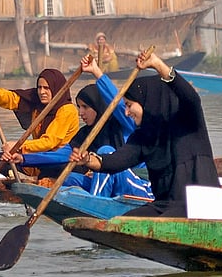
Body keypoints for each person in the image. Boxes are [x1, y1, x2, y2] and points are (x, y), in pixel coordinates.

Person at [71, 50, 218, 216]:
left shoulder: (187, 121)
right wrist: (88, 160)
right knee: (122, 222)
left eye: (129, 105)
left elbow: (190, 96)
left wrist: (157, 64)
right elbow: (116, 161)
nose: (126, 112)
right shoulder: (143, 136)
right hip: (165, 206)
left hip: (200, 204)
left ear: (146, 103)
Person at [62, 55, 154, 200]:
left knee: (106, 152)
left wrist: (97, 72)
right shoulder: (133, 127)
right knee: (69, 179)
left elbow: (116, 102)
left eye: (129, 106)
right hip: (122, 177)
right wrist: (23, 158)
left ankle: (94, 204)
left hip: (145, 187)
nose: (127, 111)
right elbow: (64, 154)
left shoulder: (140, 126)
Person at [0, 67, 79, 180]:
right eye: (39, 87)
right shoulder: (36, 100)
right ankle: (25, 177)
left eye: (46, 88)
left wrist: (17, 146)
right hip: (36, 159)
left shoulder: (67, 110)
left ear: (56, 89)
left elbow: (49, 142)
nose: (42, 92)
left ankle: (34, 179)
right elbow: (12, 99)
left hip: (56, 160)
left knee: (57, 168)